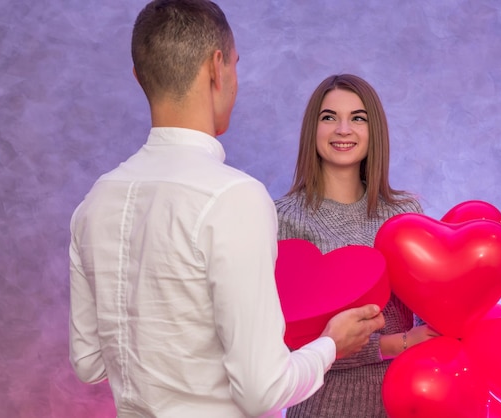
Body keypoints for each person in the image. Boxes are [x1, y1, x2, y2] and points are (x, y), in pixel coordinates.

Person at [68, 3, 385, 417]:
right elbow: (263, 392)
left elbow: (89, 363)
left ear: (140, 77)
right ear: (218, 68)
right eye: (236, 65)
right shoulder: (235, 197)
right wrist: (330, 344)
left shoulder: (94, 203)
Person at [275, 74, 440, 417]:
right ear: (312, 129)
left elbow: (433, 319)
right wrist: (394, 344)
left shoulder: (405, 214)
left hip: (403, 402)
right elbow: (283, 346)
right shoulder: (281, 219)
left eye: (358, 118)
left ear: (373, 130)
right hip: (320, 407)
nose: (343, 129)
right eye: (329, 117)